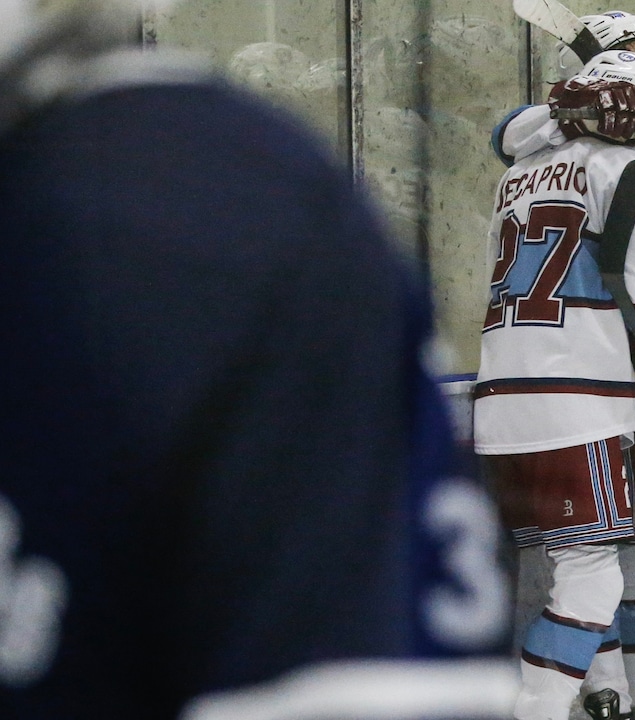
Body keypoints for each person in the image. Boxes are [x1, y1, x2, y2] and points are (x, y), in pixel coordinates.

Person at [0, 1, 516, 718]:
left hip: (535, 383)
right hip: (570, 385)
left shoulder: (192, 207)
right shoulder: (209, 196)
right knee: (614, 569)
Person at [472, 50, 635, 720]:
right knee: (593, 580)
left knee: (556, 578)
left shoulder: (519, 173)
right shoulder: (625, 167)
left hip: (498, 402)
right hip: (578, 403)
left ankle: (592, 700)